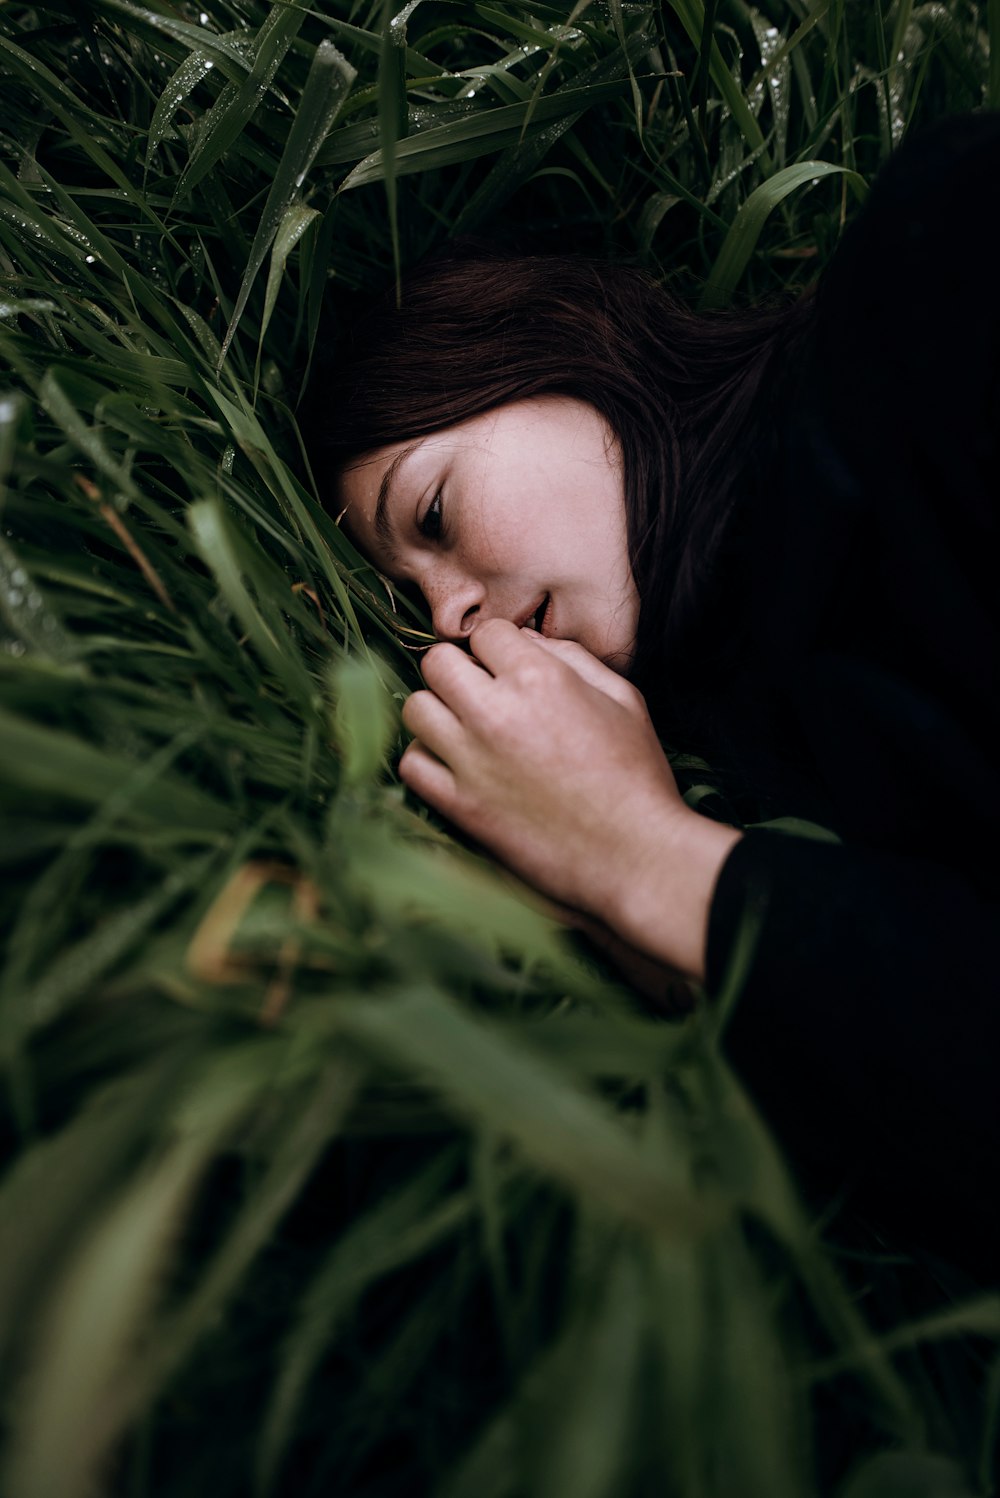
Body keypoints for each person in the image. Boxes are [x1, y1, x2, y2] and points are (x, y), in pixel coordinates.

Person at [311, 112, 1000, 1275]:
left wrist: (640, 856)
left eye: (432, 517)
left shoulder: (937, 267)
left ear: (558, 355)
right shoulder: (779, 764)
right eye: (412, 601)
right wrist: (650, 878)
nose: (450, 621)